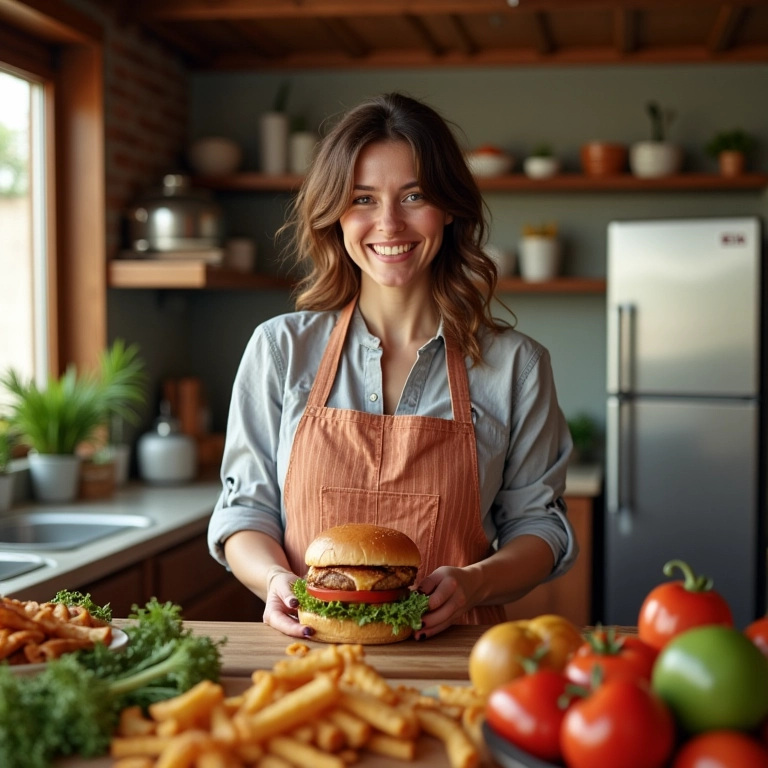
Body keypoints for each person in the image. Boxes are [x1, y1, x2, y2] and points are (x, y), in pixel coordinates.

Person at [208, 92, 577, 640]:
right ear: (335, 214)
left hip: (460, 661)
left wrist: (474, 583)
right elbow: (245, 512)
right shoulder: (280, 350)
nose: (388, 223)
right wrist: (275, 581)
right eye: (362, 198)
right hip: (305, 666)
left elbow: (540, 529)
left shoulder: (516, 366)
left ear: (448, 208)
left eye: (413, 196)